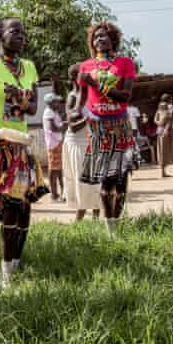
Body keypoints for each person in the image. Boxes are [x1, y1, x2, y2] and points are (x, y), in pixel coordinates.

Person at [0, 17, 46, 288]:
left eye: (23, 32)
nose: (20, 36)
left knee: (23, 208)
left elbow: (32, 109)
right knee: (6, 207)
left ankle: (15, 264)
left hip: (20, 144)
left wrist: (18, 97)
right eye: (14, 31)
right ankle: (5, 277)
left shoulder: (29, 67)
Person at [76, 22, 137, 230]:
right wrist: (76, 114)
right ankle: (110, 228)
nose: (99, 40)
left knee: (120, 180)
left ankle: (116, 223)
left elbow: (125, 97)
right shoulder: (85, 67)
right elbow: (81, 99)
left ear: (113, 40)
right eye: (95, 37)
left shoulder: (125, 63)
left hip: (121, 126)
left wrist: (97, 85)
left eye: (103, 36)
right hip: (98, 129)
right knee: (105, 180)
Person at [63, 64, 101, 220]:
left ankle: (96, 219)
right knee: (82, 182)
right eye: (84, 75)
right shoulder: (73, 97)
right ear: (74, 78)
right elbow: (72, 127)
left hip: (93, 142)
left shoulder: (93, 95)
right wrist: (87, 120)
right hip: (78, 143)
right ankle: (79, 220)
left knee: (97, 182)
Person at [43, 93, 67, 201]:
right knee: (54, 170)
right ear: (51, 103)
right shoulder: (49, 113)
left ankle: (61, 192)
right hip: (53, 145)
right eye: (56, 101)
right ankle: (53, 194)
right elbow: (52, 128)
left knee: (59, 169)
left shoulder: (53, 112)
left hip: (57, 143)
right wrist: (64, 126)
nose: (58, 103)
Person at [154, 95, 173, 177]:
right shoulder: (167, 112)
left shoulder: (162, 111)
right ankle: (164, 171)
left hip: (161, 132)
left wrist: (159, 123)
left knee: (162, 151)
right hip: (164, 133)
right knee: (164, 151)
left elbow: (156, 120)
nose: (163, 106)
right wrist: (163, 126)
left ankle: (163, 171)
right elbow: (168, 122)